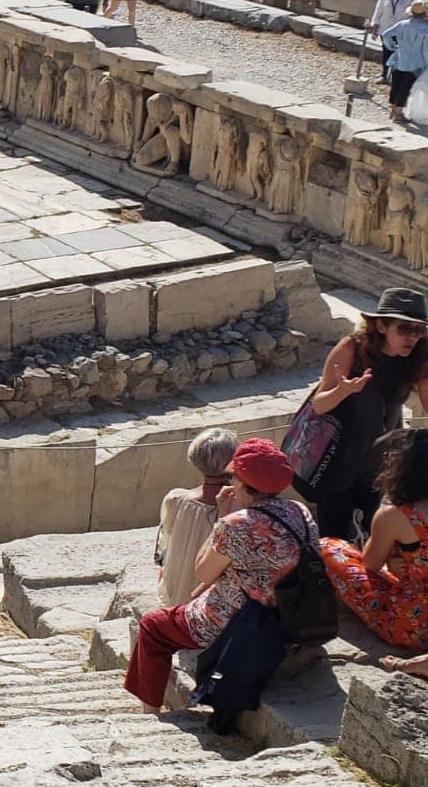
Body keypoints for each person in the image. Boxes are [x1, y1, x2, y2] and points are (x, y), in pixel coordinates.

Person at [123, 439, 318, 714]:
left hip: (239, 618)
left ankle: (149, 711)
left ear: (242, 482)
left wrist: (223, 518)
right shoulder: (299, 511)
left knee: (154, 625)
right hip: (291, 613)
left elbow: (203, 571)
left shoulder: (237, 524)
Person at [295, 288, 428, 540]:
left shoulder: (419, 355)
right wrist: (344, 391)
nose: (412, 337)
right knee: (335, 540)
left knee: (371, 534)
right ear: (381, 326)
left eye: (419, 330)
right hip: (336, 460)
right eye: (404, 329)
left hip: (379, 463)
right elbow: (320, 406)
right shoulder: (351, 349)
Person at [320, 428, 428, 654]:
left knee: (328, 548)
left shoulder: (396, 514)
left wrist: (393, 556)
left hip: (414, 625)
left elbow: (370, 564)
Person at [155, 428, 242, 608]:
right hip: (214, 600)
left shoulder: (175, 500)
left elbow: (165, 546)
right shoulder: (239, 509)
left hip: (177, 592)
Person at [381, 0, 428, 125]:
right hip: (415, 63)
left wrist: (391, 47)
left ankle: (393, 110)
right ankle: (398, 113)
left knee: (396, 85)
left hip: (399, 59)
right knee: (405, 88)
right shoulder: (425, 30)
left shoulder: (402, 24)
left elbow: (386, 34)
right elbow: (425, 50)